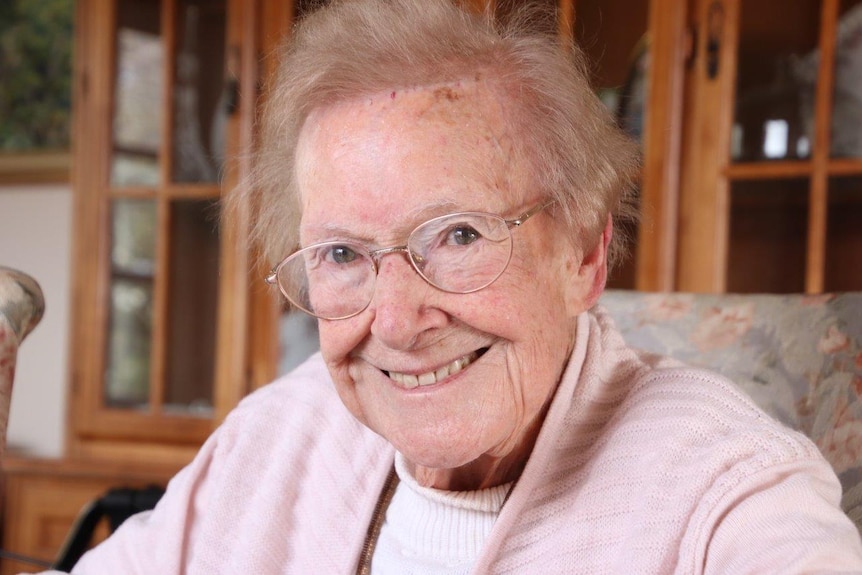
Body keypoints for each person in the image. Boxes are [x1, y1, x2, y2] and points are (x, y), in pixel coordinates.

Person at [48, 0, 862, 573]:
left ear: (585, 253)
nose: (397, 321)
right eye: (341, 255)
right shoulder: (284, 431)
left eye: (459, 236)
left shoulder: (726, 491)